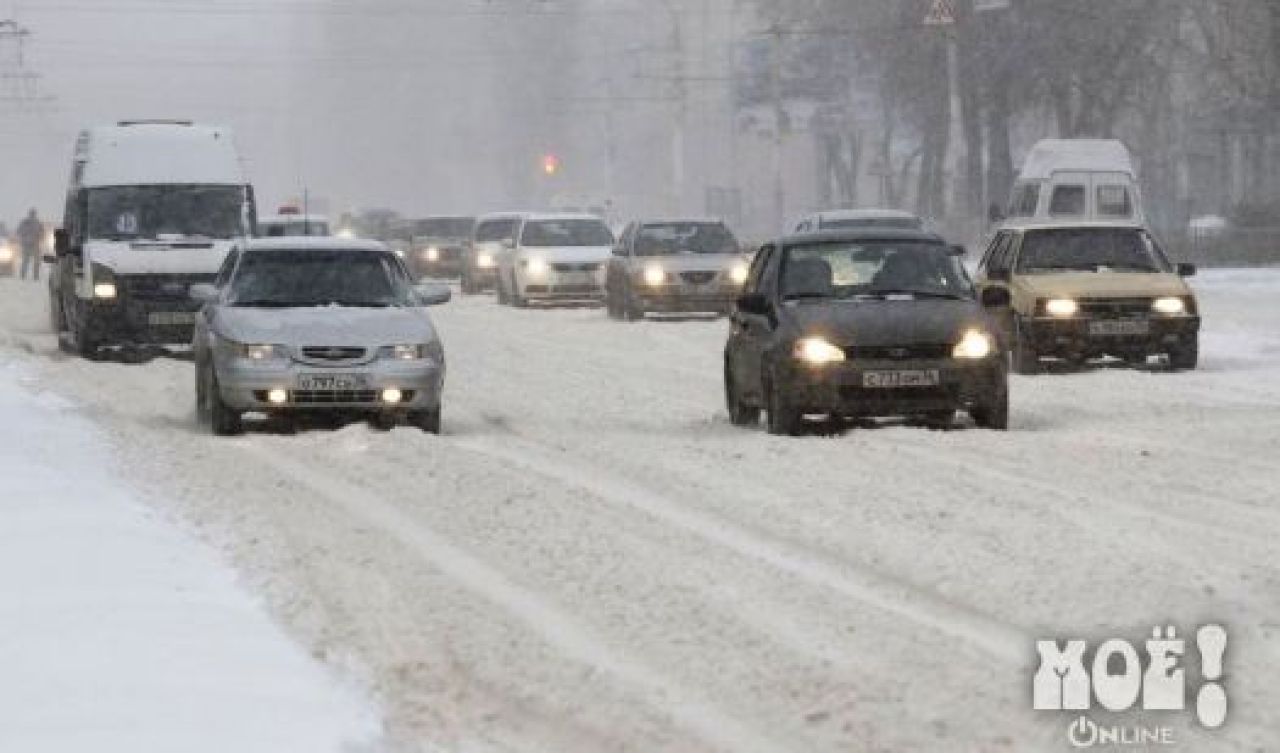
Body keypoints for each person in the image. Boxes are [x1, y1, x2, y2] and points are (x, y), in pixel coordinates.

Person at [17, 208, 44, 282]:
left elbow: (42, 233)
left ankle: (35, 275)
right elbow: (19, 231)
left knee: (35, 262)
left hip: (34, 245)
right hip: (27, 245)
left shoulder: (38, 223)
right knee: (26, 261)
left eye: (33, 214)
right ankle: (23, 275)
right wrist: (24, 237)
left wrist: (39, 238)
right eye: (32, 214)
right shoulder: (25, 222)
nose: (33, 215)